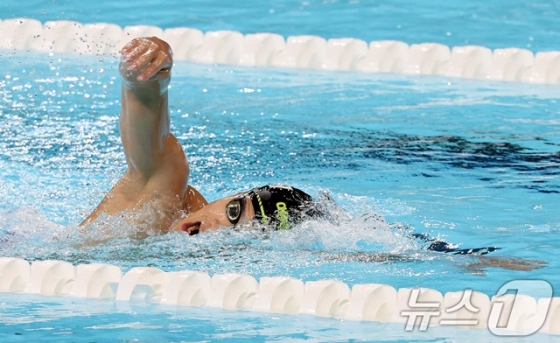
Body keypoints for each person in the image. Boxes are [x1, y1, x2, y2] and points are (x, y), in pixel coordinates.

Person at [81, 36, 316, 236]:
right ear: (231, 196)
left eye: (239, 236)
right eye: (233, 211)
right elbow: (152, 139)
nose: (214, 229)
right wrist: (145, 78)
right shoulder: (165, 200)